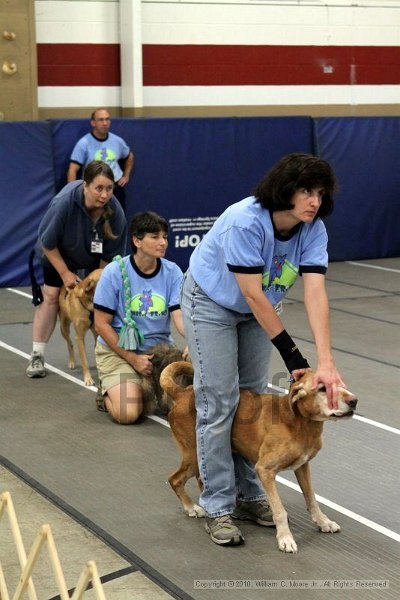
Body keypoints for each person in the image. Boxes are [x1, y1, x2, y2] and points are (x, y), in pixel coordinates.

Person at [180, 152, 346, 547]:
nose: (314, 201)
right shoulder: (245, 221)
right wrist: (295, 359)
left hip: (261, 308)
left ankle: (251, 495)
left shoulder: (313, 228)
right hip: (211, 303)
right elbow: (251, 294)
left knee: (252, 403)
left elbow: (315, 292)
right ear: (285, 189)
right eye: (306, 191)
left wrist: (325, 363)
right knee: (218, 402)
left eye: (320, 194)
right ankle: (219, 505)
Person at [26, 161, 127, 379]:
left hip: (92, 255)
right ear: (85, 186)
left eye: (109, 188)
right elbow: (47, 243)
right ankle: (37, 355)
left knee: (103, 300)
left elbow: (109, 256)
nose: (104, 194)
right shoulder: (64, 203)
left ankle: (106, 355)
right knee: (51, 297)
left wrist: (99, 284)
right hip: (57, 252)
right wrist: (64, 274)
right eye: (98, 188)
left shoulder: (115, 211)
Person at [93, 211, 186, 425]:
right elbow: (101, 324)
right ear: (137, 240)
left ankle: (147, 387)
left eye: (164, 236)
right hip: (119, 352)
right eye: (155, 237)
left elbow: (179, 315)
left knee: (189, 408)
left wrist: (193, 340)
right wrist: (132, 358)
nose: (163, 242)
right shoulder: (114, 272)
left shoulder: (173, 272)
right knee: (128, 413)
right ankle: (107, 391)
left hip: (161, 352)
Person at [67, 108, 134, 212]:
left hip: (115, 188)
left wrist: (126, 176)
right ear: (93, 123)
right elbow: (72, 169)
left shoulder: (117, 141)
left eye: (107, 119)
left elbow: (129, 156)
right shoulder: (84, 143)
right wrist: (73, 192)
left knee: (117, 222)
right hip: (94, 189)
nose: (105, 123)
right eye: (101, 120)